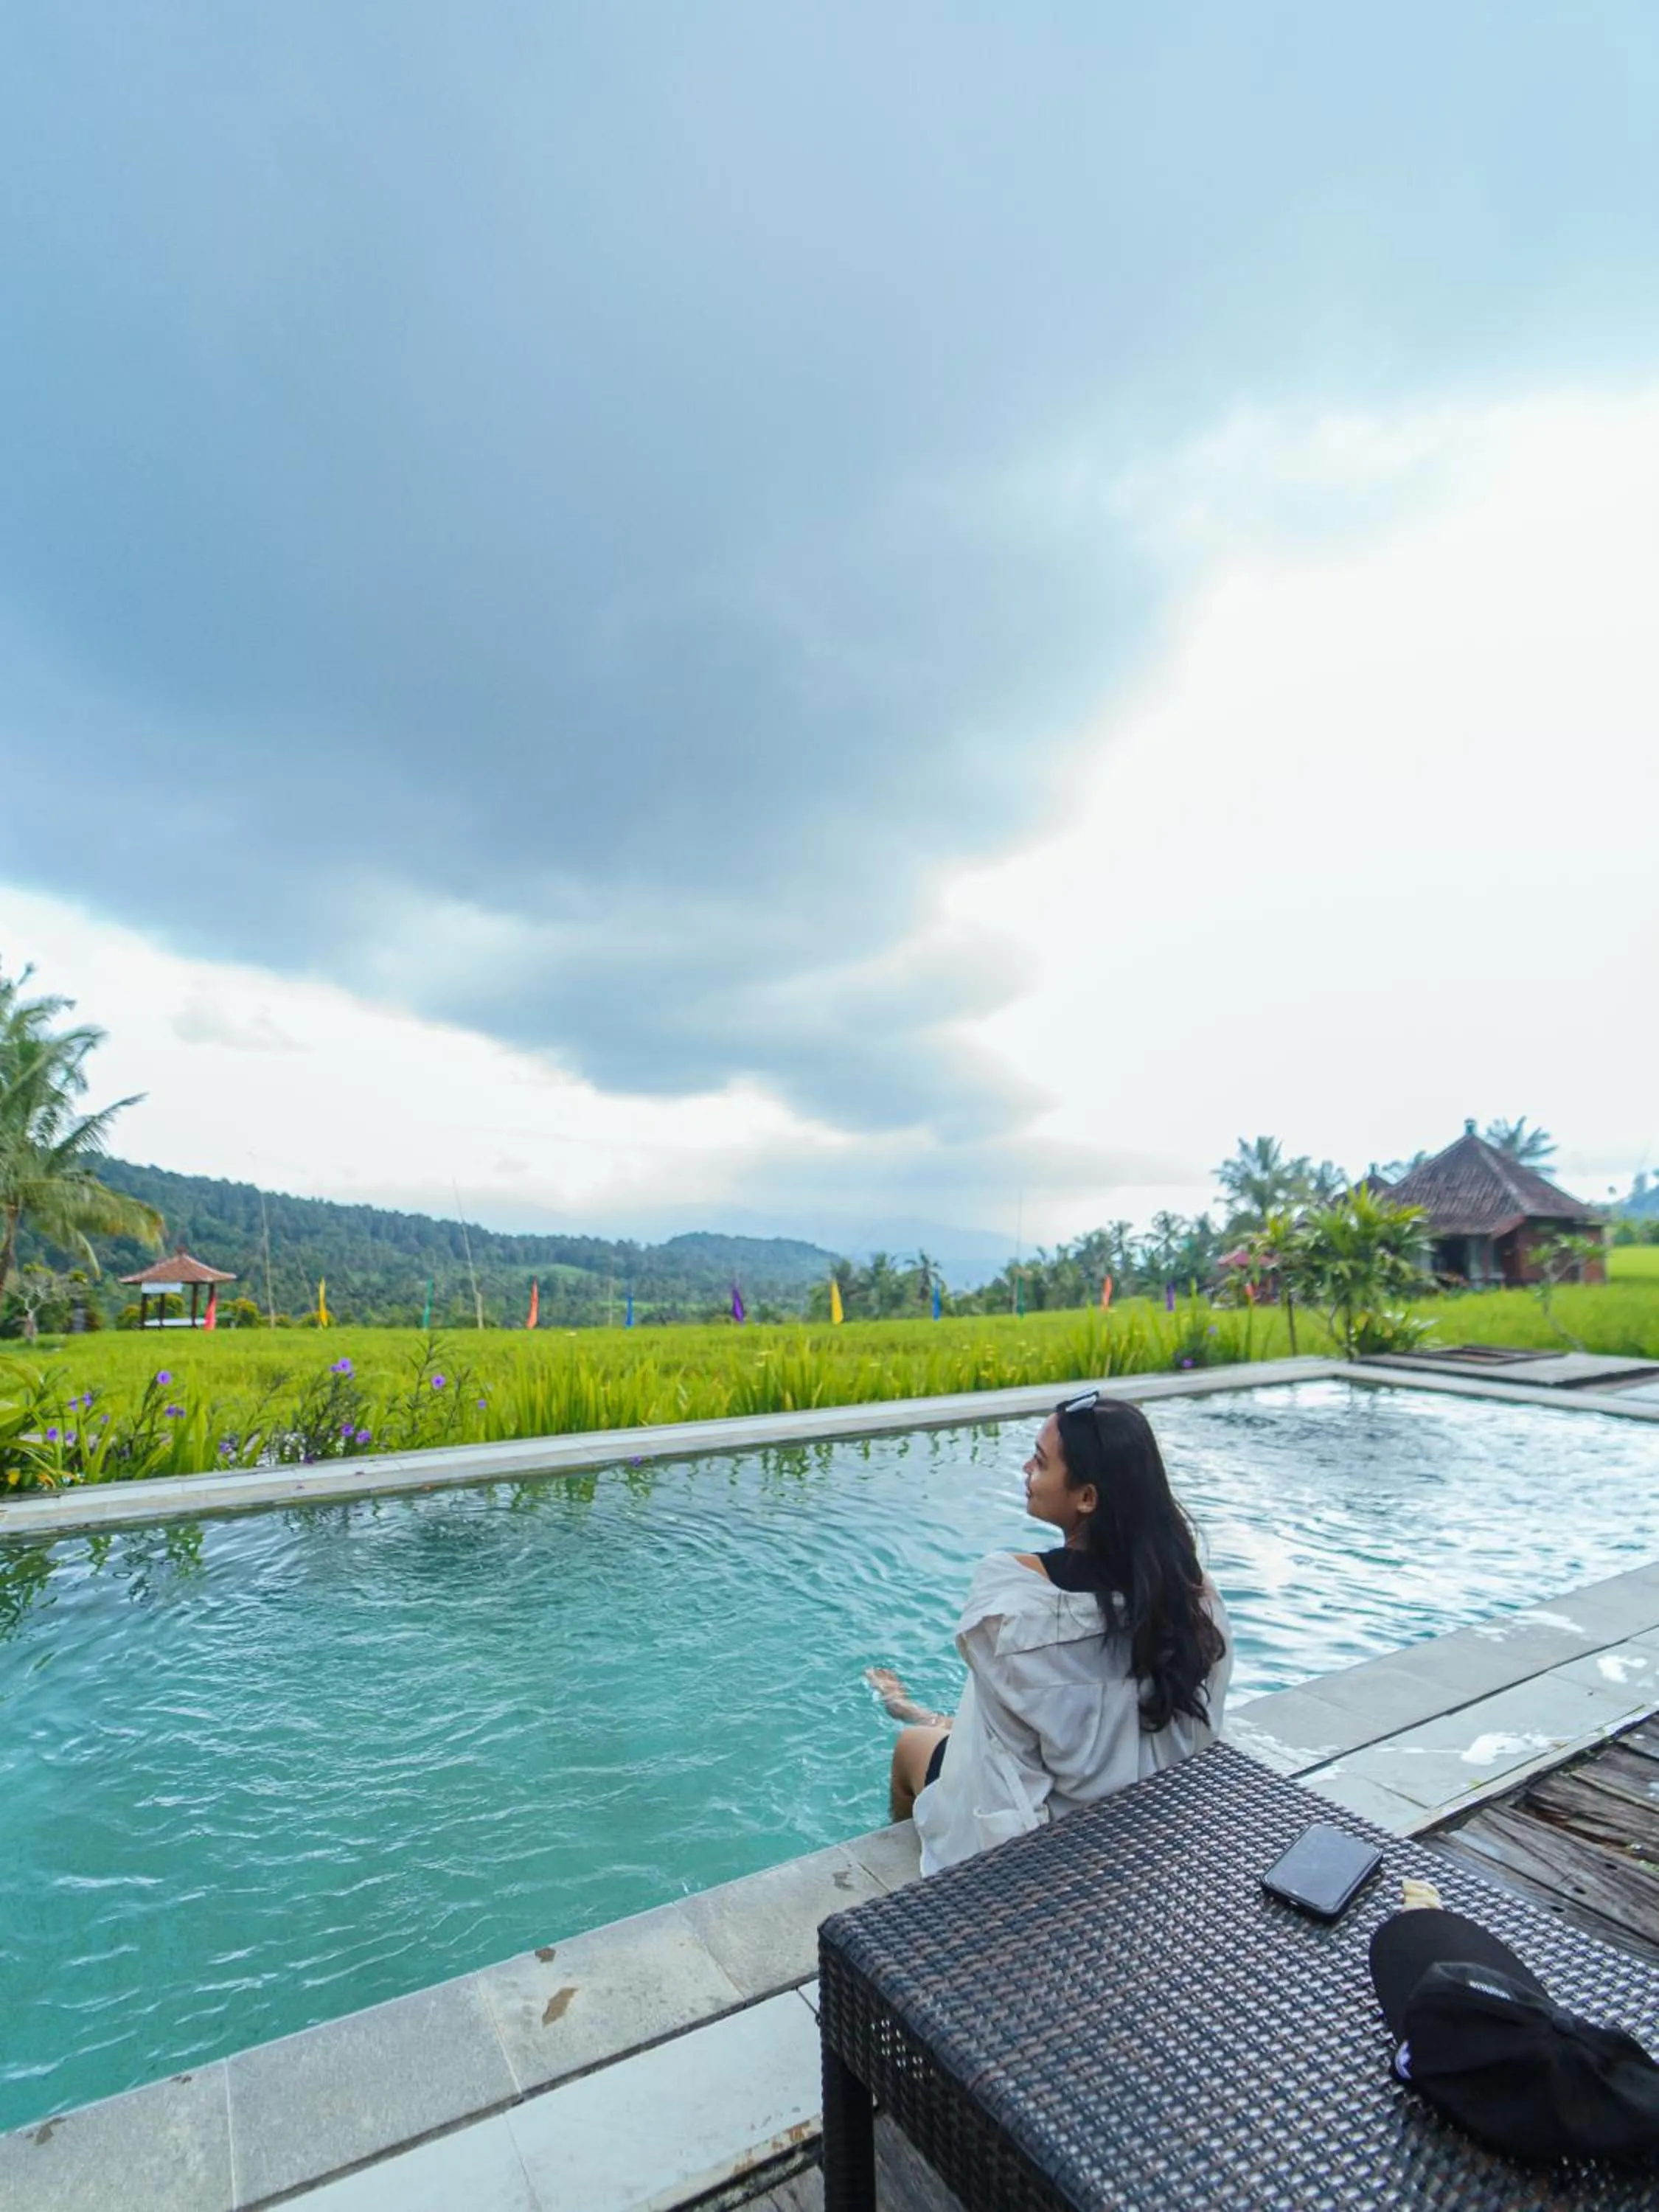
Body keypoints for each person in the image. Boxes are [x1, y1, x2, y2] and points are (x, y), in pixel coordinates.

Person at [866, 1388, 1232, 1874]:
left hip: (1054, 1850)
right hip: (1150, 1828)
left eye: (1039, 1463)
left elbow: (1002, 1787)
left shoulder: (1016, 1605)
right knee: (965, 1724)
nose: (1026, 1470)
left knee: (909, 1746)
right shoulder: (1194, 1598)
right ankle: (919, 1711)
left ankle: (899, 1876)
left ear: (1086, 1498)